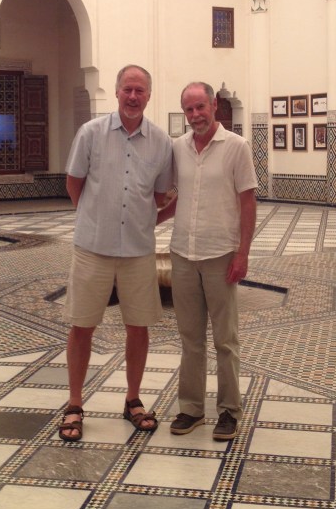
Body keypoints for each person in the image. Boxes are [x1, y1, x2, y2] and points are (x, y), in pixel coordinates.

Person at [58, 65, 173, 442]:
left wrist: (140, 222)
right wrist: (94, 218)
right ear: (117, 91)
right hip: (93, 247)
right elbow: (74, 183)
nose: (133, 96)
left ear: (149, 95)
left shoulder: (160, 142)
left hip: (138, 251)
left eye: (140, 90)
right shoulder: (91, 133)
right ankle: (75, 404)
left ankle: (133, 400)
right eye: (128, 89)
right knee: (82, 325)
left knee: (138, 326)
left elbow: (159, 196)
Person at [157, 82, 257, 441]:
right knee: (190, 338)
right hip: (183, 254)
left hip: (220, 255)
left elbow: (247, 202)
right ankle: (191, 409)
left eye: (200, 107)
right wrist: (154, 219)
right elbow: (179, 197)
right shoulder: (178, 148)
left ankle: (229, 410)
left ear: (214, 105)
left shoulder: (237, 147)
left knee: (225, 340)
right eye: (189, 109)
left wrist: (243, 253)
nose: (195, 115)